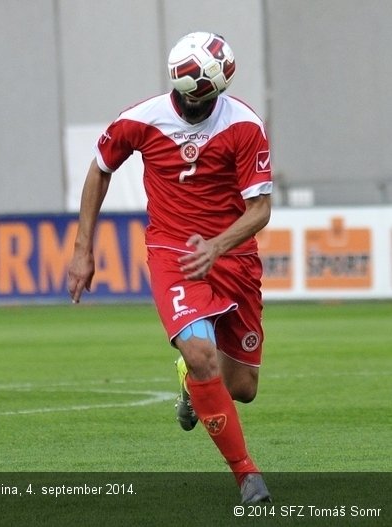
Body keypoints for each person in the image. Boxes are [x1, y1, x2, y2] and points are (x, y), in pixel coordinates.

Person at [67, 32, 273, 504]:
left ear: (216, 89)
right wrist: (83, 249)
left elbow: (260, 209)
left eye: (198, 101)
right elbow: (100, 168)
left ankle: (189, 380)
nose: (188, 107)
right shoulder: (141, 118)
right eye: (182, 97)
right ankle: (246, 475)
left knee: (241, 388)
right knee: (202, 354)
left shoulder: (244, 125)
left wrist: (219, 246)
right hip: (173, 254)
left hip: (232, 257)